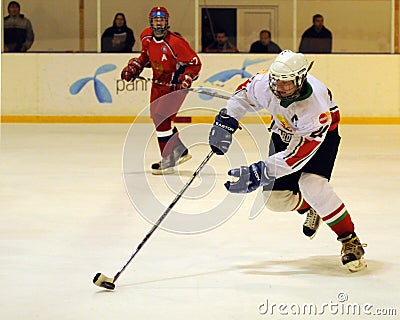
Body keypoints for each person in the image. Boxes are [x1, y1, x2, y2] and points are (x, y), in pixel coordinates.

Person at [208, 50, 367, 272]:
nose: (280, 88)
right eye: (277, 81)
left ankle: (349, 239)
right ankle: (312, 207)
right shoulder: (267, 83)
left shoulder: (315, 108)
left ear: (300, 79)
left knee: (312, 184)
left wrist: (259, 171)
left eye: (287, 83)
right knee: (275, 200)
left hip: (318, 138)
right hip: (284, 130)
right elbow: (244, 93)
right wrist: (227, 119)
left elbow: (297, 155)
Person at [121, 6, 201, 175]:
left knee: (161, 119)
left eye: (162, 20)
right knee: (157, 118)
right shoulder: (146, 37)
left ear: (167, 22)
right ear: (151, 22)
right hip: (158, 84)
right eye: (156, 20)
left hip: (174, 86)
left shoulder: (176, 43)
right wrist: (136, 67)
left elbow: (195, 64)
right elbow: (145, 57)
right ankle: (179, 150)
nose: (159, 23)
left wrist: (186, 79)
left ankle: (168, 158)